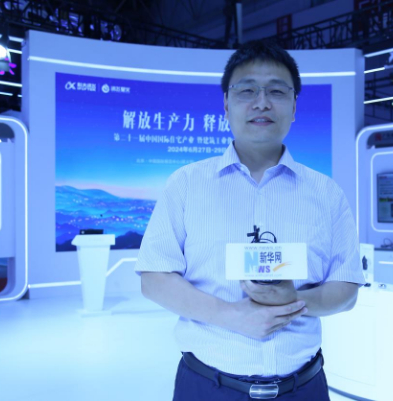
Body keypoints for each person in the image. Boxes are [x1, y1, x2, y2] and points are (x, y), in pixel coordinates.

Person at [135, 40, 365, 401]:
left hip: (303, 388)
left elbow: (346, 289)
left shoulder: (326, 193)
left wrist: (295, 300)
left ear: (294, 107)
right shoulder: (186, 184)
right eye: (247, 90)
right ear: (226, 105)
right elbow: (154, 279)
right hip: (207, 387)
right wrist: (231, 315)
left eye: (276, 91)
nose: (262, 102)